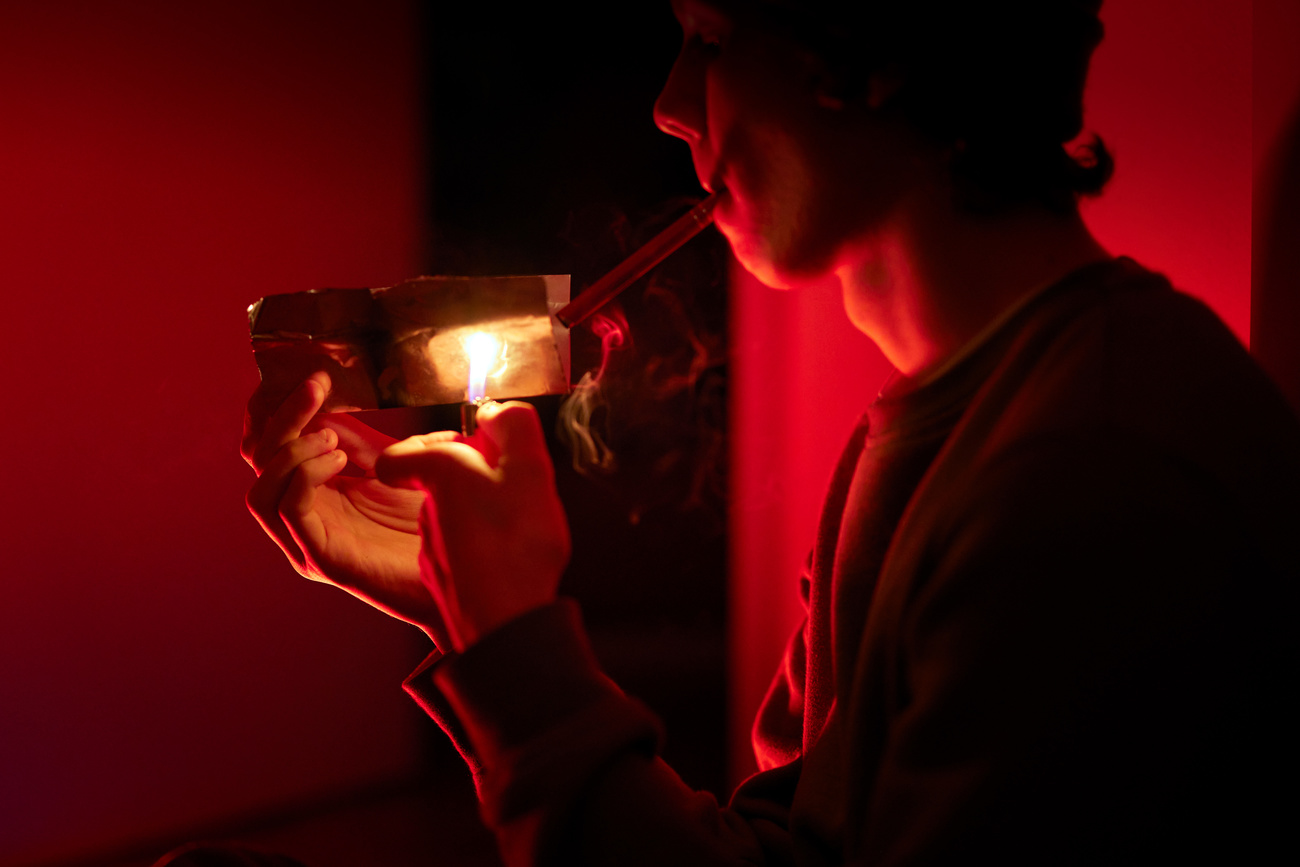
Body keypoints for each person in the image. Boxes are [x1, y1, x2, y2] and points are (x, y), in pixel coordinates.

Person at [242, 1, 1299, 864]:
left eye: (710, 38)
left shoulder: (1093, 473)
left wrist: (519, 645)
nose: (669, 107)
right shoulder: (935, 427)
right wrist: (471, 614)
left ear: (871, 52)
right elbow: (788, 851)